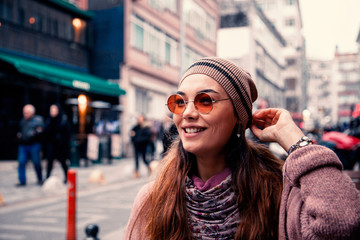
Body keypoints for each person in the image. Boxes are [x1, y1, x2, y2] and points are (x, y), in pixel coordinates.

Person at [125, 57, 360, 239]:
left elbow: (342, 223)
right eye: (180, 102)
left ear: (239, 116)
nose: (187, 113)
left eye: (205, 100)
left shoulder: (277, 193)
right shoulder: (153, 199)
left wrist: (294, 139)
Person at [16, 104, 44, 186]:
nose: (25, 114)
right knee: (21, 162)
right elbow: (20, 130)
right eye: (24, 112)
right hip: (23, 145)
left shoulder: (38, 120)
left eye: (27, 112)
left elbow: (41, 130)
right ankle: (22, 181)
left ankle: (39, 178)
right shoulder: (23, 121)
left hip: (34, 144)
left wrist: (35, 133)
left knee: (36, 162)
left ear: (32, 113)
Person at [43, 104, 70, 183]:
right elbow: (46, 133)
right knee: (50, 162)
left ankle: (67, 177)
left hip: (60, 146)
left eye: (54, 110)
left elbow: (67, 134)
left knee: (63, 162)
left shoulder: (63, 120)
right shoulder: (49, 121)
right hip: (51, 145)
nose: (52, 112)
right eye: (51, 110)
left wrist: (63, 143)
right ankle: (47, 177)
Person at [130, 114, 152, 178]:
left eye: (141, 118)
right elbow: (131, 134)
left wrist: (136, 137)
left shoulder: (146, 127)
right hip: (136, 145)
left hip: (143, 146)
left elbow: (147, 137)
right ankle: (136, 172)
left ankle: (149, 168)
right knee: (136, 160)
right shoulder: (136, 127)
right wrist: (134, 137)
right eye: (139, 118)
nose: (140, 119)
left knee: (144, 159)